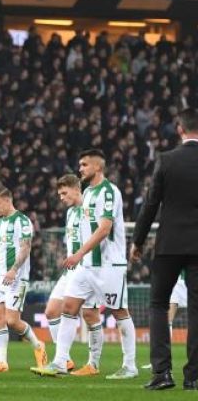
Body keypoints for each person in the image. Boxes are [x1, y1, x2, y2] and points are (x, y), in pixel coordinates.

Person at [33, 149, 137, 379]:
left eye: (84, 165)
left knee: (120, 312)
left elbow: (104, 228)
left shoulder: (109, 192)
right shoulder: (88, 193)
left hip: (109, 265)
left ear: (97, 167)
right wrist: (79, 257)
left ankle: (130, 366)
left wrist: (78, 253)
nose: (80, 168)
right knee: (69, 308)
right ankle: (60, 362)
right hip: (85, 267)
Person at [131, 108, 198, 390]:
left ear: (180, 129)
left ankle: (162, 373)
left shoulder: (166, 160)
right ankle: (194, 377)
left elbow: (150, 204)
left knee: (158, 304)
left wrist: (137, 240)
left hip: (168, 244)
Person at [41, 174, 103, 376]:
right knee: (51, 311)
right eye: (59, 194)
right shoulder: (70, 213)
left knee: (90, 315)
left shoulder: (91, 207)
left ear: (77, 189)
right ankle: (64, 359)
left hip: (90, 268)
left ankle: (93, 364)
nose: (61, 197)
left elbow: (101, 233)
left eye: (64, 193)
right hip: (71, 269)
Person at [0, 185, 47, 373]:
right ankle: (2, 362)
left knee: (12, 321)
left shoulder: (23, 221)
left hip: (17, 278)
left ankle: (38, 345)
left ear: (8, 200)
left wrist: (13, 269)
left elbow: (26, 247)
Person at [142, 270, 187, 371]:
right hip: (182, 281)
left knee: (167, 321)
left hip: (179, 281)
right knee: (167, 321)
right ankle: (159, 360)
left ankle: (160, 361)